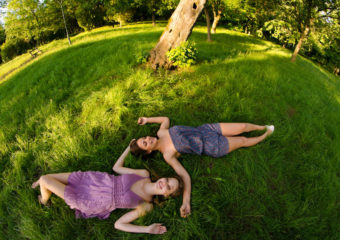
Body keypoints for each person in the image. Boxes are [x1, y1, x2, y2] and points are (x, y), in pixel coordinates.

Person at [129, 117, 274, 218]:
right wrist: (186, 202)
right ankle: (265, 135)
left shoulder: (161, 132)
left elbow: (165, 119)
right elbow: (184, 176)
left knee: (242, 126)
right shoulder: (167, 155)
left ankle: (262, 127)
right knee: (242, 140)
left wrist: (148, 119)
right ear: (148, 151)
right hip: (212, 147)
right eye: (146, 143)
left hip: (206, 130)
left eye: (145, 138)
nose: (148, 139)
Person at [31, 142, 183, 234]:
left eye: (168, 187)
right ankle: (43, 185)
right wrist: (128, 147)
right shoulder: (144, 174)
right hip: (94, 180)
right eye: (168, 179)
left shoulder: (146, 205)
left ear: (166, 195)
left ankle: (44, 200)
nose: (164, 183)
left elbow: (118, 224)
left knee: (45, 179)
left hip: (92, 200)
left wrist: (147, 229)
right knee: (49, 177)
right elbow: (116, 168)